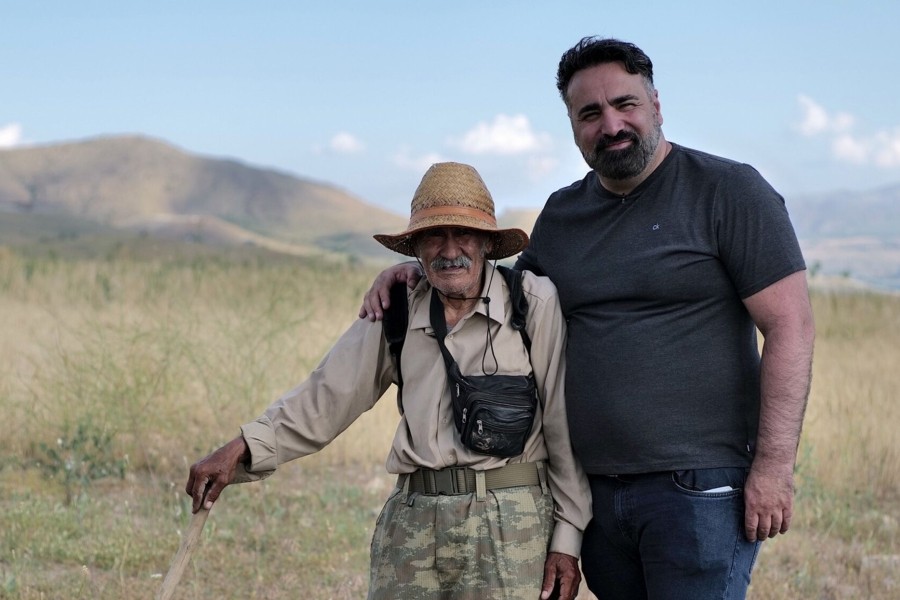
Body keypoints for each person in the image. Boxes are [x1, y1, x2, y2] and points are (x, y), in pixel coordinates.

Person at [359, 38, 816, 599]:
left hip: (699, 489)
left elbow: (790, 326)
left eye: (626, 104)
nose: (612, 125)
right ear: (573, 126)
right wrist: (415, 274)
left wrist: (772, 469)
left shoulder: (728, 191)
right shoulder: (563, 214)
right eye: (590, 113)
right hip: (594, 493)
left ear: (656, 105)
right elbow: (502, 296)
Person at [186, 161, 592, 600]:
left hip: (512, 527)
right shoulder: (396, 308)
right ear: (415, 247)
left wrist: (567, 538)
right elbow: (327, 396)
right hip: (413, 524)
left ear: (488, 243)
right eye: (434, 235)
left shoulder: (533, 303)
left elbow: (562, 425)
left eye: (465, 234)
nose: (450, 249)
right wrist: (244, 446)